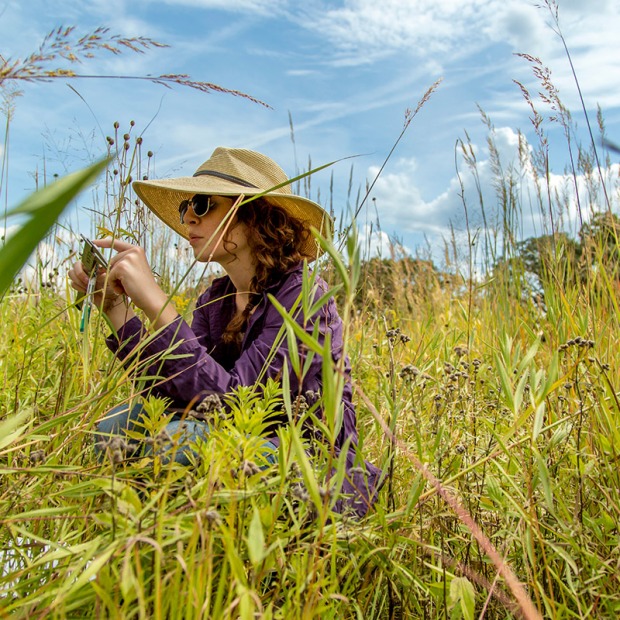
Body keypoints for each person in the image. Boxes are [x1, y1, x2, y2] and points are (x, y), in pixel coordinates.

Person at [69, 146, 381, 517]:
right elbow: (177, 390)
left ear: (253, 214)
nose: (188, 219)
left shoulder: (304, 296)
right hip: (242, 445)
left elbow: (236, 401)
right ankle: (144, 549)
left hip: (312, 464)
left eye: (202, 204)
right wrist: (116, 310)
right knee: (116, 425)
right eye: (186, 207)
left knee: (178, 440)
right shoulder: (215, 299)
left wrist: (157, 304)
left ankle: (199, 557)